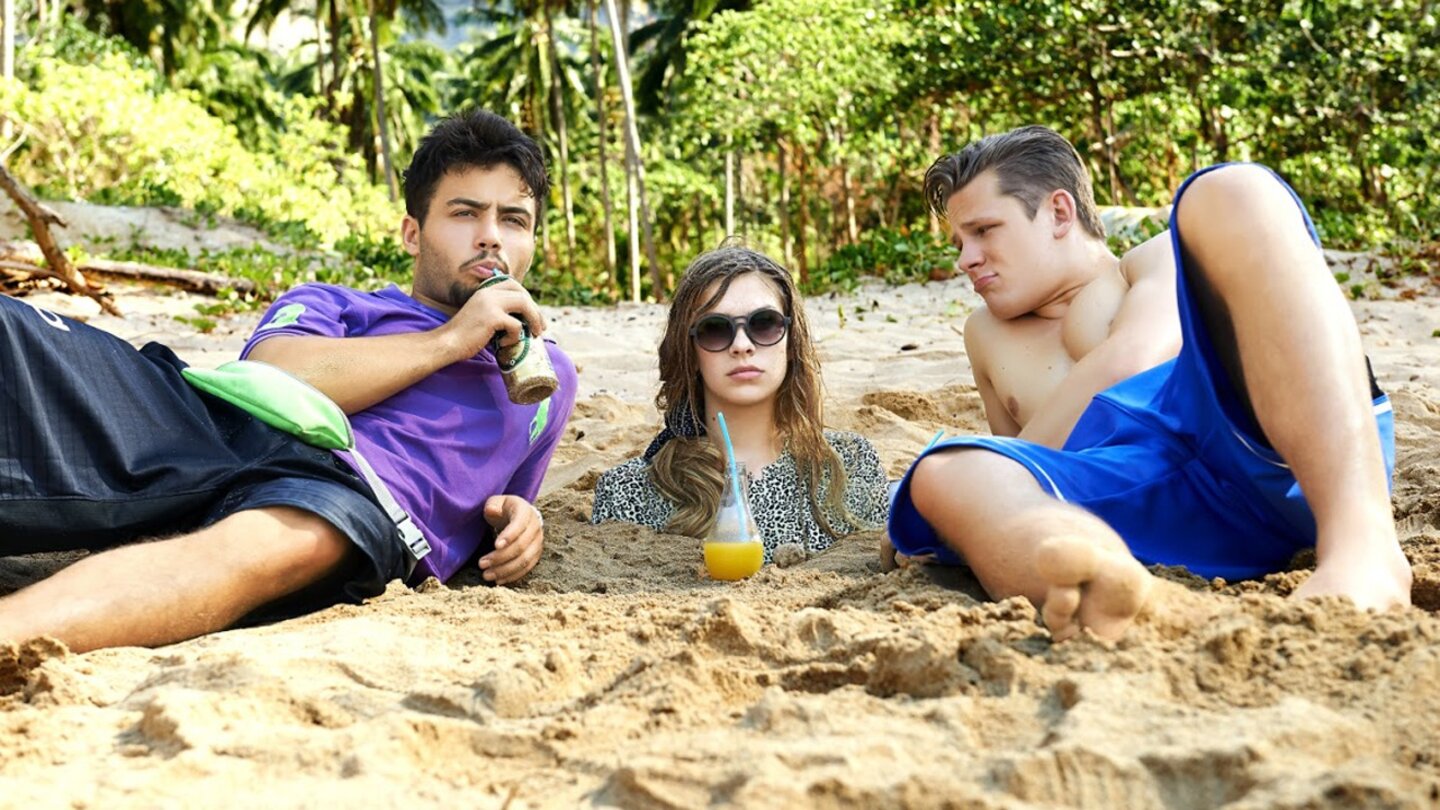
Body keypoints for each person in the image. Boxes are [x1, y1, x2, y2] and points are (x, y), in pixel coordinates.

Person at [0, 109, 575, 652]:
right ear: (412, 233)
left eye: (513, 220)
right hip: (223, 418)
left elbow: (502, 503)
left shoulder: (550, 376)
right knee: (17, 332)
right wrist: (450, 341)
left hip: (360, 493)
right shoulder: (332, 303)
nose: (490, 236)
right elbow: (275, 373)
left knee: (273, 547)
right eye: (464, 213)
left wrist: (524, 524)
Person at [885, 125, 1410, 641]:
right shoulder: (985, 336)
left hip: (1262, 451)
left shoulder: (1155, 261)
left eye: (983, 230)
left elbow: (1132, 358)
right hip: (1138, 500)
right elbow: (1016, 471)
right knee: (943, 469)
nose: (964, 259)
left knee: (1229, 190)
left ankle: (1362, 551)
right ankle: (1123, 593)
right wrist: (947, 505)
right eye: (958, 241)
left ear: (1059, 213)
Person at [592, 244, 889, 562]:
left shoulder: (851, 465)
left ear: (791, 341)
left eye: (764, 324)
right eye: (715, 330)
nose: (742, 345)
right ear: (688, 351)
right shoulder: (626, 492)